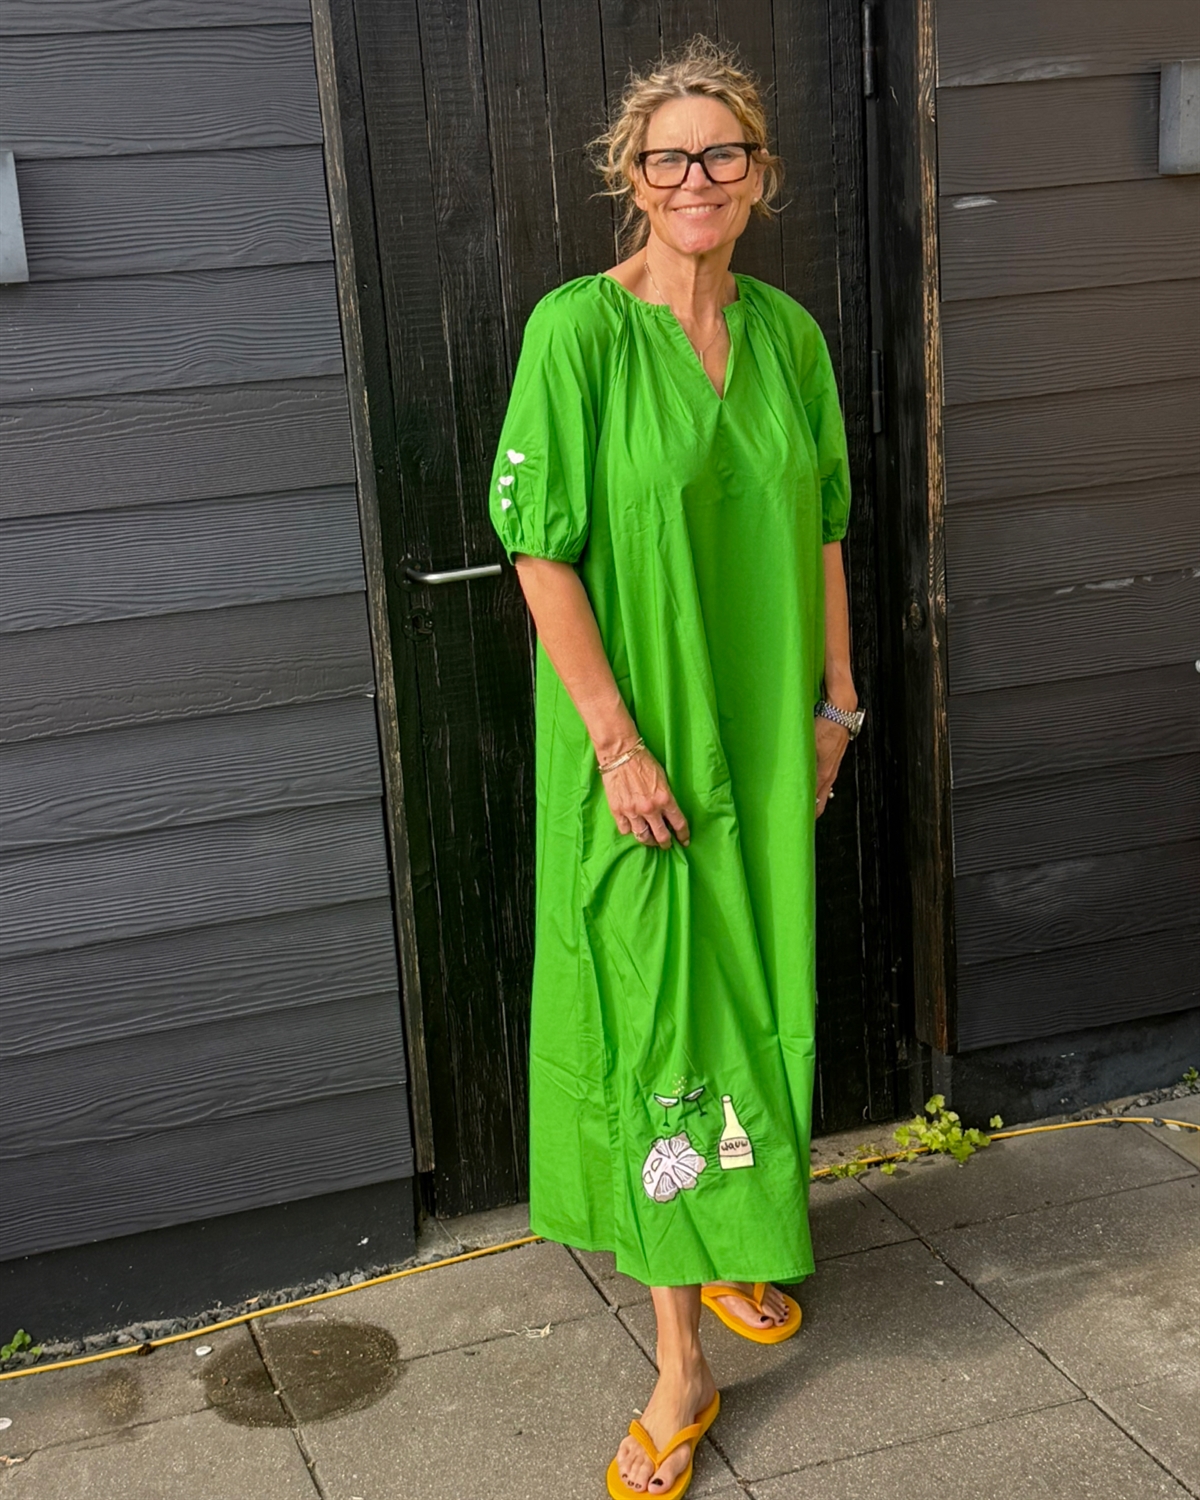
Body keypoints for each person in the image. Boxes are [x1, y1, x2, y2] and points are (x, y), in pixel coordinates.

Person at [488, 36, 861, 1500]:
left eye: (722, 153)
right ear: (631, 179)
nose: (696, 177)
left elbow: (822, 528)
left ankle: (740, 1238)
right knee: (659, 1012)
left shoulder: (789, 337)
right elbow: (541, 552)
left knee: (757, 990)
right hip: (634, 747)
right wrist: (617, 740)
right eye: (668, 158)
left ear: (759, 174)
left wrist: (837, 709)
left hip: (766, 738)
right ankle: (681, 1364)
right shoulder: (577, 333)